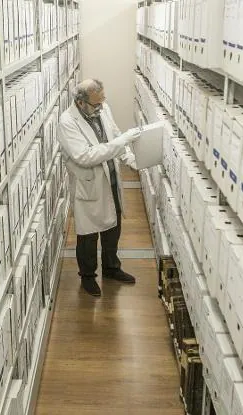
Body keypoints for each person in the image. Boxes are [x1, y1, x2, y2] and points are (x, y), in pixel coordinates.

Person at [57, 79, 142, 297]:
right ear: (80, 102)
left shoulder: (103, 108)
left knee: (113, 225)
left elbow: (114, 135)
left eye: (102, 101)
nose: (101, 107)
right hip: (90, 183)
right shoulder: (67, 122)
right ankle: (87, 276)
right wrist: (121, 141)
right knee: (88, 235)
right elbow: (85, 156)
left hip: (110, 176)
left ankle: (112, 268)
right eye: (96, 104)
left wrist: (130, 158)